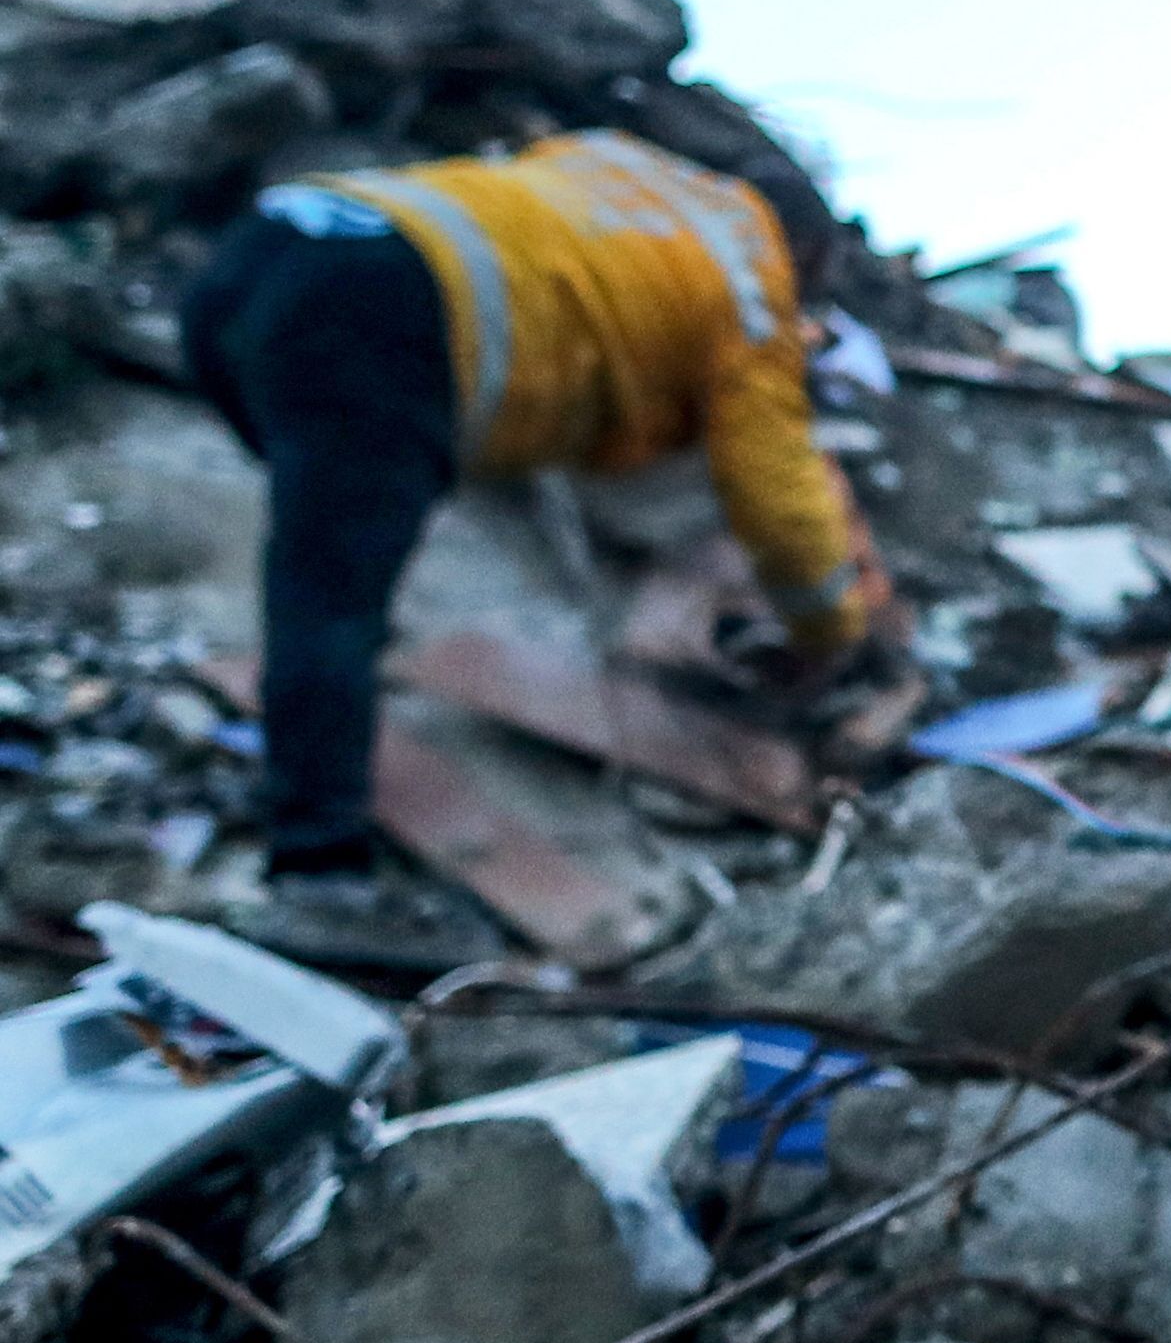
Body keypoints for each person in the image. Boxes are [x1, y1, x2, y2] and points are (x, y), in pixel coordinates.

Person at [177, 127, 882, 963]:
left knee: (330, 556)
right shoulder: (752, 283)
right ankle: (320, 880)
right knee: (330, 600)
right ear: (800, 246)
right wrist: (830, 631)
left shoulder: (621, 165)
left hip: (275, 242)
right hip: (386, 306)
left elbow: (549, 278)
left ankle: (329, 693)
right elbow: (780, 495)